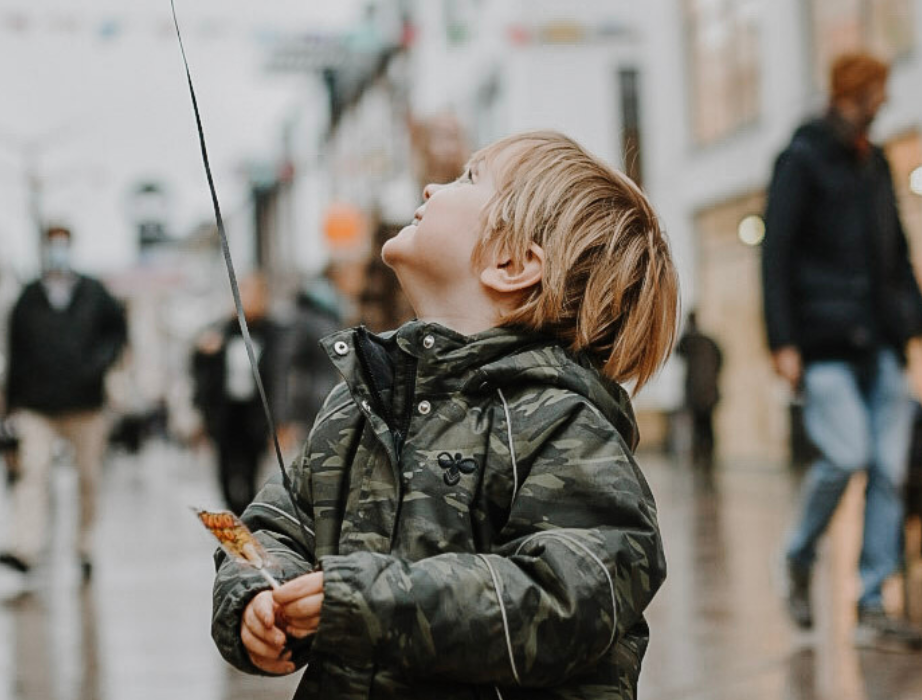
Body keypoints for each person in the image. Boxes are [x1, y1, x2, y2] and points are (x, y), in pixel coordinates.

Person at [210, 131, 675, 698]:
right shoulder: (361, 402)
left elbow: (568, 596)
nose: (433, 185)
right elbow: (270, 526)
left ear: (511, 263)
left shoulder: (561, 424)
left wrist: (374, 599)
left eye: (470, 178)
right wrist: (258, 597)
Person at [763, 53, 922, 652]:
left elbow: (900, 248)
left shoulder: (877, 161)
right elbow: (776, 255)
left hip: (884, 339)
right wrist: (781, 341)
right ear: (854, 92)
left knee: (889, 470)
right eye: (879, 91)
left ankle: (870, 602)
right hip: (825, 343)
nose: (885, 102)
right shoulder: (802, 158)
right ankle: (798, 554)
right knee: (848, 455)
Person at [0, 226, 128, 581]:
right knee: (33, 474)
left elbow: (118, 331)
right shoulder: (28, 298)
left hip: (85, 405)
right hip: (37, 405)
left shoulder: (94, 293)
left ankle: (84, 546)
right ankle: (25, 548)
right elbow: (15, 352)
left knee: (88, 478)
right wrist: (9, 405)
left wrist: (98, 365)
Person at [191, 274, 291, 514]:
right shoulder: (219, 332)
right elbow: (201, 376)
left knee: (251, 473)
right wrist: (203, 353)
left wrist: (281, 420)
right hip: (226, 415)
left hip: (256, 416)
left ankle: (247, 521)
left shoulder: (274, 333)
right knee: (224, 474)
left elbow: (280, 377)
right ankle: (237, 517)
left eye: (251, 294)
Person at [284, 261, 365, 435]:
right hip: (316, 401)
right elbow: (292, 359)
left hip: (332, 396)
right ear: (337, 278)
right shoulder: (311, 313)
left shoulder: (336, 309)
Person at [675, 310, 723, 466]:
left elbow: (678, 351)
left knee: (699, 425)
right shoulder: (708, 341)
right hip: (709, 390)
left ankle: (702, 454)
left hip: (697, 391)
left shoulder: (690, 341)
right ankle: (707, 454)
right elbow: (721, 358)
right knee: (707, 425)